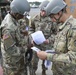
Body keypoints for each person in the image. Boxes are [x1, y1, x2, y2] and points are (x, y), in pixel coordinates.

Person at [37, 0, 76, 75]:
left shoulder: (73, 28)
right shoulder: (62, 26)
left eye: (52, 16)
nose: (52, 20)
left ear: (59, 12)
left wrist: (48, 56)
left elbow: (73, 57)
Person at [0, 0, 30, 75]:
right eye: (21, 14)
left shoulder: (13, 18)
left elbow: (15, 32)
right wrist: (27, 48)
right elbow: (11, 50)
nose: (23, 17)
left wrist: (21, 32)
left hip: (18, 61)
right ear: (15, 12)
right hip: (13, 66)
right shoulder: (8, 28)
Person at [29, 0, 58, 75]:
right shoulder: (35, 18)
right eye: (42, 10)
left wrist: (49, 40)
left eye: (45, 11)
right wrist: (32, 38)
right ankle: (33, 73)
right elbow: (31, 28)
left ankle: (44, 71)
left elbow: (56, 32)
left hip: (47, 45)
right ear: (40, 9)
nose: (43, 13)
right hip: (36, 44)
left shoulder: (52, 19)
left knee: (45, 61)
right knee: (33, 62)